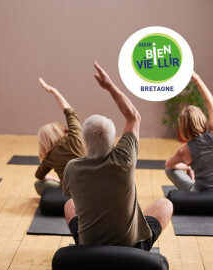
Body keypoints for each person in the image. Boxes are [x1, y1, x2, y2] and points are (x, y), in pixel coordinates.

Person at [63, 62, 173, 251]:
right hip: (133, 247)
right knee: (165, 204)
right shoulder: (124, 158)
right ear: (113, 139)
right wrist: (109, 86)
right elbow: (133, 117)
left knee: (69, 204)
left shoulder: (72, 167)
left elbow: (69, 192)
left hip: (88, 245)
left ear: (85, 141)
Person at [34, 78, 85, 196]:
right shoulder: (75, 138)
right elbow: (69, 111)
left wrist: (53, 179)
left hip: (70, 194)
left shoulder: (50, 158)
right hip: (92, 188)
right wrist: (54, 91)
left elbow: (39, 176)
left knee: (39, 184)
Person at [165, 72, 213, 192]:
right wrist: (196, 77)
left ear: (183, 127)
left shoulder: (184, 150)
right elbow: (210, 103)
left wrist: (188, 166)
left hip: (198, 196)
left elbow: (169, 165)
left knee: (168, 171)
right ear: (202, 119)